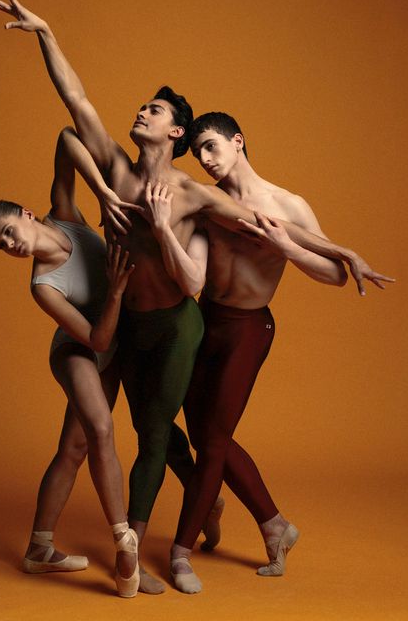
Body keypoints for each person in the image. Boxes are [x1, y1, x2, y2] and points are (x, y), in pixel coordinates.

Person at [0, 0, 387, 594]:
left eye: (155, 110)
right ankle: (209, 506)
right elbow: (74, 101)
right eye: (143, 107)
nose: (141, 113)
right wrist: (46, 32)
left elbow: (268, 228)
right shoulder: (115, 172)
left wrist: (343, 251)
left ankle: (152, 552)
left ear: (175, 133)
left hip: (178, 322)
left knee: (156, 430)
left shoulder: (193, 193)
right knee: (158, 429)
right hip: (122, 324)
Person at [152, 112, 395, 593]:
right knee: (203, 433)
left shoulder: (287, 203)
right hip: (206, 322)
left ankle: (180, 552)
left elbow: (333, 274)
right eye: (198, 151)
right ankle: (275, 526)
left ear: (237, 142)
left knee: (214, 441)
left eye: (212, 147)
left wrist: (287, 246)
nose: (204, 159)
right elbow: (193, 268)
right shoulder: (210, 202)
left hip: (248, 328)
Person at [0, 127, 140, 597]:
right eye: (0, 246)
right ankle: (123, 539)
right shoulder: (43, 286)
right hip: (78, 351)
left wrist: (105, 193)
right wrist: (114, 292)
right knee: (102, 429)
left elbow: (68, 137)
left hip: (106, 343)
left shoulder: (66, 214)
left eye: (9, 232)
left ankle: (38, 550)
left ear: (28, 215)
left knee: (72, 451)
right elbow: (96, 336)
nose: (10, 245)